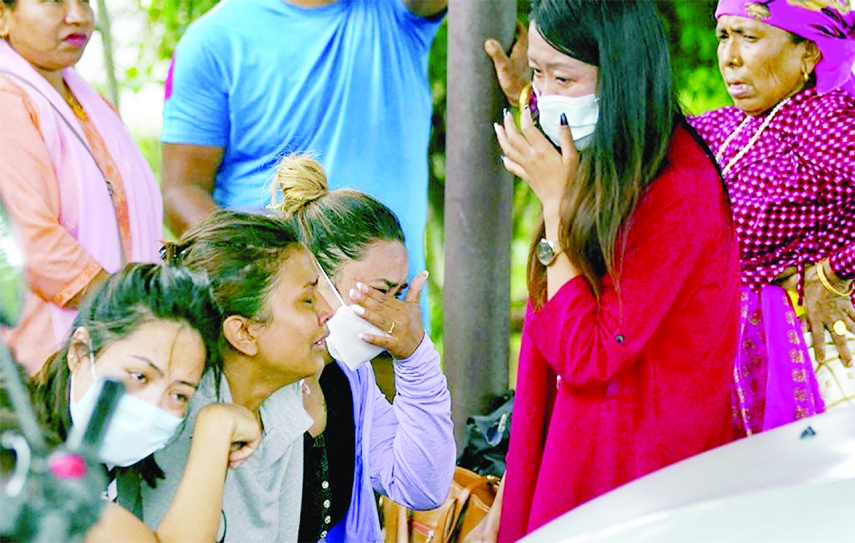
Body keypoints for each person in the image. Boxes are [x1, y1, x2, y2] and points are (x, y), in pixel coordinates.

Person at [484, 0, 742, 540]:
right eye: (537, 73)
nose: (544, 95)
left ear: (621, 76)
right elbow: (547, 347)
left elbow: (589, 354)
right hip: (571, 455)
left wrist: (554, 207)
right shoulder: (596, 159)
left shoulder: (679, 191)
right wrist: (512, 491)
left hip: (632, 481)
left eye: (564, 77)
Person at [158, 0, 448, 311]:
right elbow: (181, 190)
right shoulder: (213, 40)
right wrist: (258, 274)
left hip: (388, 320)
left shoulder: (395, 12)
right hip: (277, 324)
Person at [269, 155, 455, 542]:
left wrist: (416, 358)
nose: (392, 314)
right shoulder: (255, 374)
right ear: (314, 277)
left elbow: (421, 486)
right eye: (379, 292)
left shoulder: (351, 378)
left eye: (398, 294)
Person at [688, 0, 855, 429]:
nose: (731, 56)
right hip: (745, 355)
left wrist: (833, 272)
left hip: (823, 361)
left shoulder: (822, 121)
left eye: (750, 36)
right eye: (724, 36)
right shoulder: (726, 129)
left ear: (809, 53)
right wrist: (543, 87)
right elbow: (631, 136)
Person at [28, 263, 262, 543]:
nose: (153, 406)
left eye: (179, 395)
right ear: (80, 353)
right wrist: (215, 431)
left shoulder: (119, 473)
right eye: (139, 376)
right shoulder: (18, 452)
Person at [141, 211, 334, 542]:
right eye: (307, 299)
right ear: (243, 332)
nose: (327, 310)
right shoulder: (178, 421)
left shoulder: (283, 403)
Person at [0, 0, 163, 374]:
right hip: (51, 357)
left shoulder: (84, 98)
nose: (78, 15)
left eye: (84, 0)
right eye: (53, 1)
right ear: (2, 15)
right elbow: (33, 241)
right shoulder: (7, 98)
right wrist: (135, 307)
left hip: (122, 330)